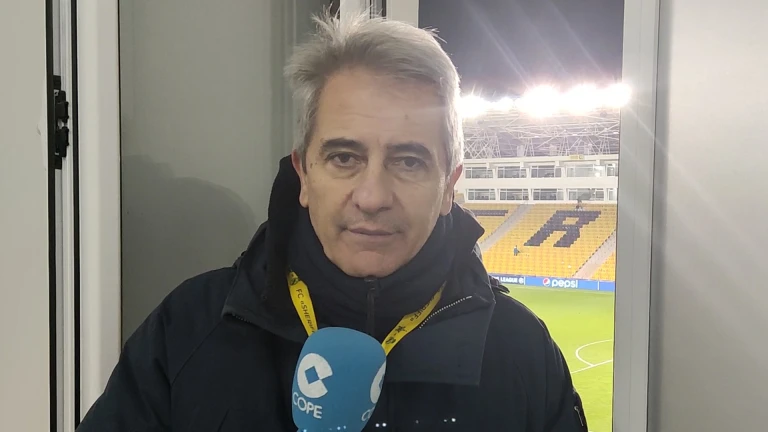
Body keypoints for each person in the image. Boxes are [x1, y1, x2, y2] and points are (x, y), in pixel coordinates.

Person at [77, 12, 588, 431]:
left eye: (409, 161)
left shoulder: (523, 353)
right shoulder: (188, 328)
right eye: (344, 157)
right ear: (303, 174)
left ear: (449, 186)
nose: (372, 197)